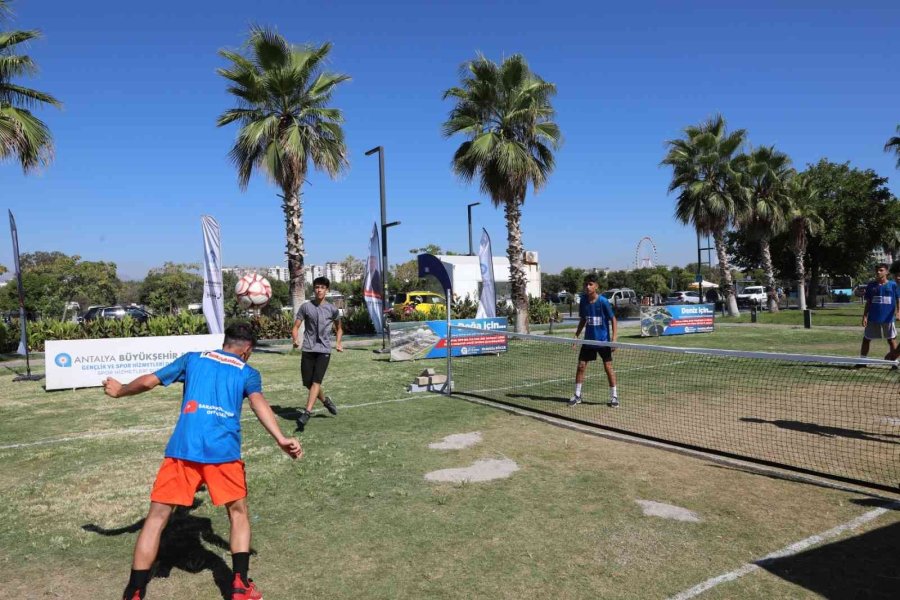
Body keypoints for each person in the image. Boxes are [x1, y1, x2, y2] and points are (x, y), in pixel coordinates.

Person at [103, 323, 303, 600]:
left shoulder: (193, 359)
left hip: (183, 450)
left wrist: (121, 390)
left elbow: (149, 381)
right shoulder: (247, 372)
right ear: (247, 350)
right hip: (223, 455)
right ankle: (239, 586)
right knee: (238, 514)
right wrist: (281, 438)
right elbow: (259, 403)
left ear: (226, 342)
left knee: (156, 519)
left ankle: (134, 592)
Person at [292, 276, 343, 431]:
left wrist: (338, 343)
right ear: (313, 289)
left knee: (316, 382)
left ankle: (306, 413)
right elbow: (295, 327)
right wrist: (295, 339)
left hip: (324, 350)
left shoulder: (333, 309)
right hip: (308, 349)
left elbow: (339, 328)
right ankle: (326, 401)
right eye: (317, 287)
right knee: (308, 382)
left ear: (327, 290)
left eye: (322, 287)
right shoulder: (305, 307)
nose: (319, 290)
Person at [569, 273, 619, 408]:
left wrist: (614, 339)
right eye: (586, 284)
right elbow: (583, 319)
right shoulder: (583, 301)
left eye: (590, 284)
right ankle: (577, 395)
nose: (587, 286)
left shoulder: (603, 301)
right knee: (581, 366)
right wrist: (576, 336)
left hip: (603, 341)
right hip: (588, 341)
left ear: (596, 286)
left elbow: (613, 319)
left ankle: (614, 397)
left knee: (608, 367)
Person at [859, 263, 900, 363]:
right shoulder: (871, 285)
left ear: (887, 272)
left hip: (888, 318)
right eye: (877, 270)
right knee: (866, 339)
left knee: (891, 340)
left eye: (881, 270)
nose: (878, 272)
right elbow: (869, 302)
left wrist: (899, 312)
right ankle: (862, 362)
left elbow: (898, 299)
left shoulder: (893, 285)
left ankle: (894, 363)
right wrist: (865, 316)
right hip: (873, 318)